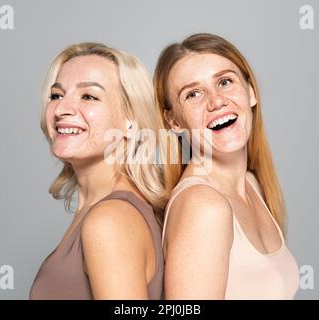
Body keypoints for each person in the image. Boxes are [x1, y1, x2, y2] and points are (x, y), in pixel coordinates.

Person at [154, 33, 300, 299]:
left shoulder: (252, 185)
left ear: (251, 92)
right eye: (193, 94)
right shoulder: (203, 205)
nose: (216, 101)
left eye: (225, 81)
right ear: (173, 121)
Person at [30, 42, 171, 299]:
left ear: (131, 122)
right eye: (56, 95)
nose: (61, 109)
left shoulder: (109, 220)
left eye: (89, 96)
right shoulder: (100, 211)